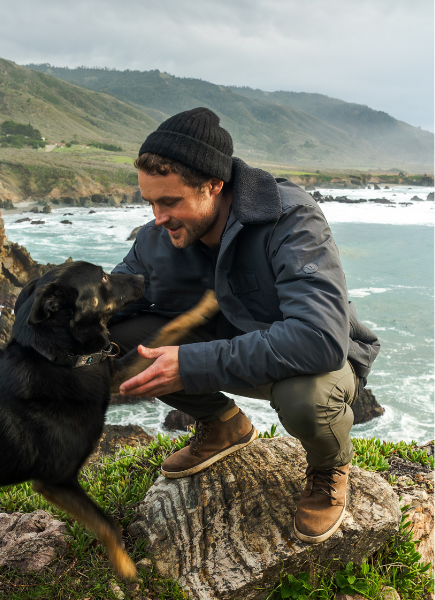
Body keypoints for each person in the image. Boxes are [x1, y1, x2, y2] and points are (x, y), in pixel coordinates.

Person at [109, 107, 380, 544]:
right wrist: (64, 308)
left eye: (170, 201)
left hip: (313, 360)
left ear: (214, 185)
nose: (158, 217)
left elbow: (319, 339)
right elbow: (119, 298)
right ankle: (223, 425)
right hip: (233, 345)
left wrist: (192, 363)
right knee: (122, 340)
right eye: (150, 202)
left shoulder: (290, 218)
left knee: (305, 399)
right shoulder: (160, 234)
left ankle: (330, 468)